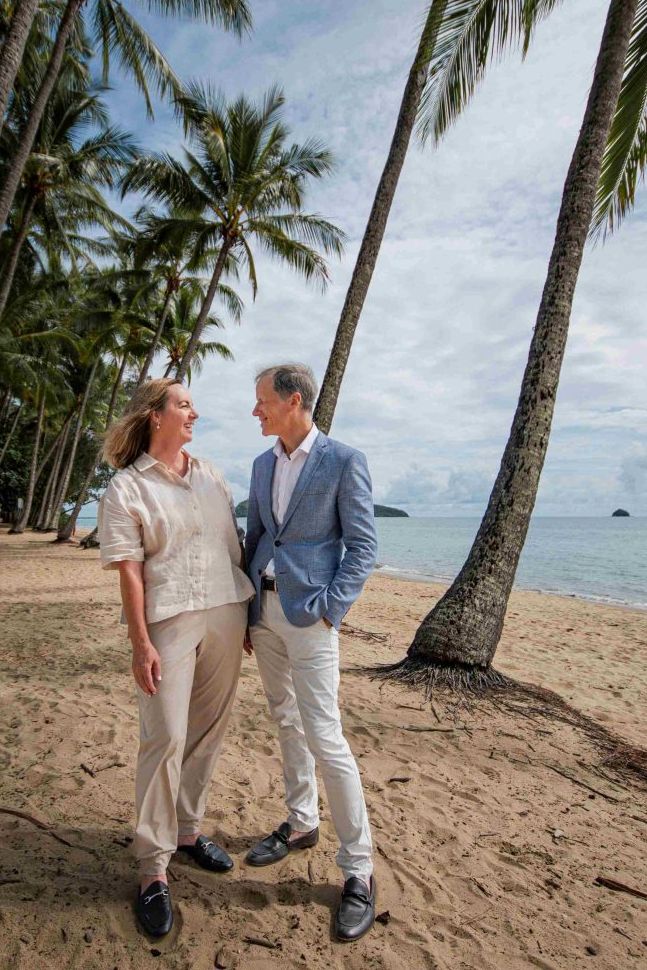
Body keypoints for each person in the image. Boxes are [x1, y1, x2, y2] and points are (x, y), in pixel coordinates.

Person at [98, 378, 254, 938]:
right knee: (164, 734)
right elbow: (130, 571)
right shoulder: (126, 489)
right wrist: (140, 642)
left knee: (207, 731)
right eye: (184, 404)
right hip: (167, 620)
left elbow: (233, 546)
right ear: (154, 416)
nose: (195, 412)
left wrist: (247, 618)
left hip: (226, 611)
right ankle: (152, 868)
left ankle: (187, 830)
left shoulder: (210, 475)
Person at [243, 363, 378, 942]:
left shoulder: (344, 460)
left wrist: (330, 608)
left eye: (262, 403)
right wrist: (246, 609)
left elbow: (364, 545)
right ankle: (302, 824)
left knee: (326, 734)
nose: (256, 412)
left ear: (292, 401)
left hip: (311, 618)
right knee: (286, 721)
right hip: (264, 614)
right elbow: (254, 538)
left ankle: (359, 870)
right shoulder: (260, 463)